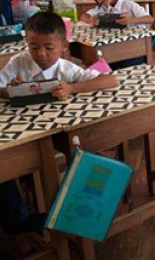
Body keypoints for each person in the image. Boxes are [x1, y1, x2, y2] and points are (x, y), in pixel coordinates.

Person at [0, 12, 117, 239]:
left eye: (49, 48)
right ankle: (18, 215)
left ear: (64, 46)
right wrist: (11, 90)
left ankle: (63, 211)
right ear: (26, 43)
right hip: (23, 133)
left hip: (56, 133)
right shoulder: (19, 62)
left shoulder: (66, 69)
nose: (41, 54)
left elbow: (110, 80)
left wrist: (73, 88)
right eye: (34, 47)